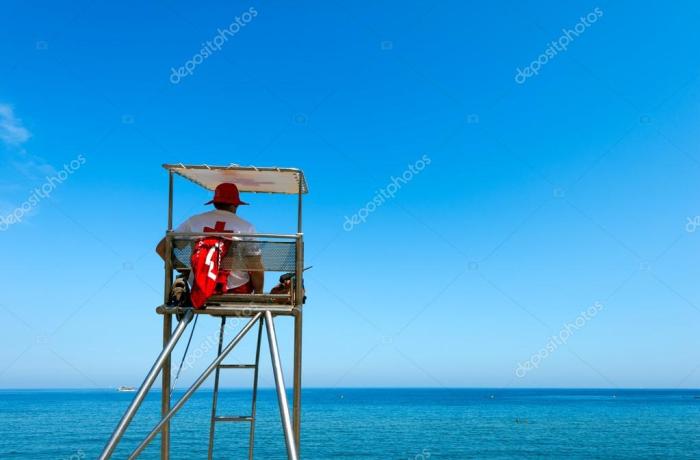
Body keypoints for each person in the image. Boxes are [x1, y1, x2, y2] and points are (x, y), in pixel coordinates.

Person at [156, 182, 264, 294]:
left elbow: (161, 248)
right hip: (236, 290)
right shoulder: (246, 227)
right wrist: (259, 292)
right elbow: (255, 264)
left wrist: (188, 273)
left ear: (215, 203)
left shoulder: (193, 221)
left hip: (200, 287)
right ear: (235, 205)